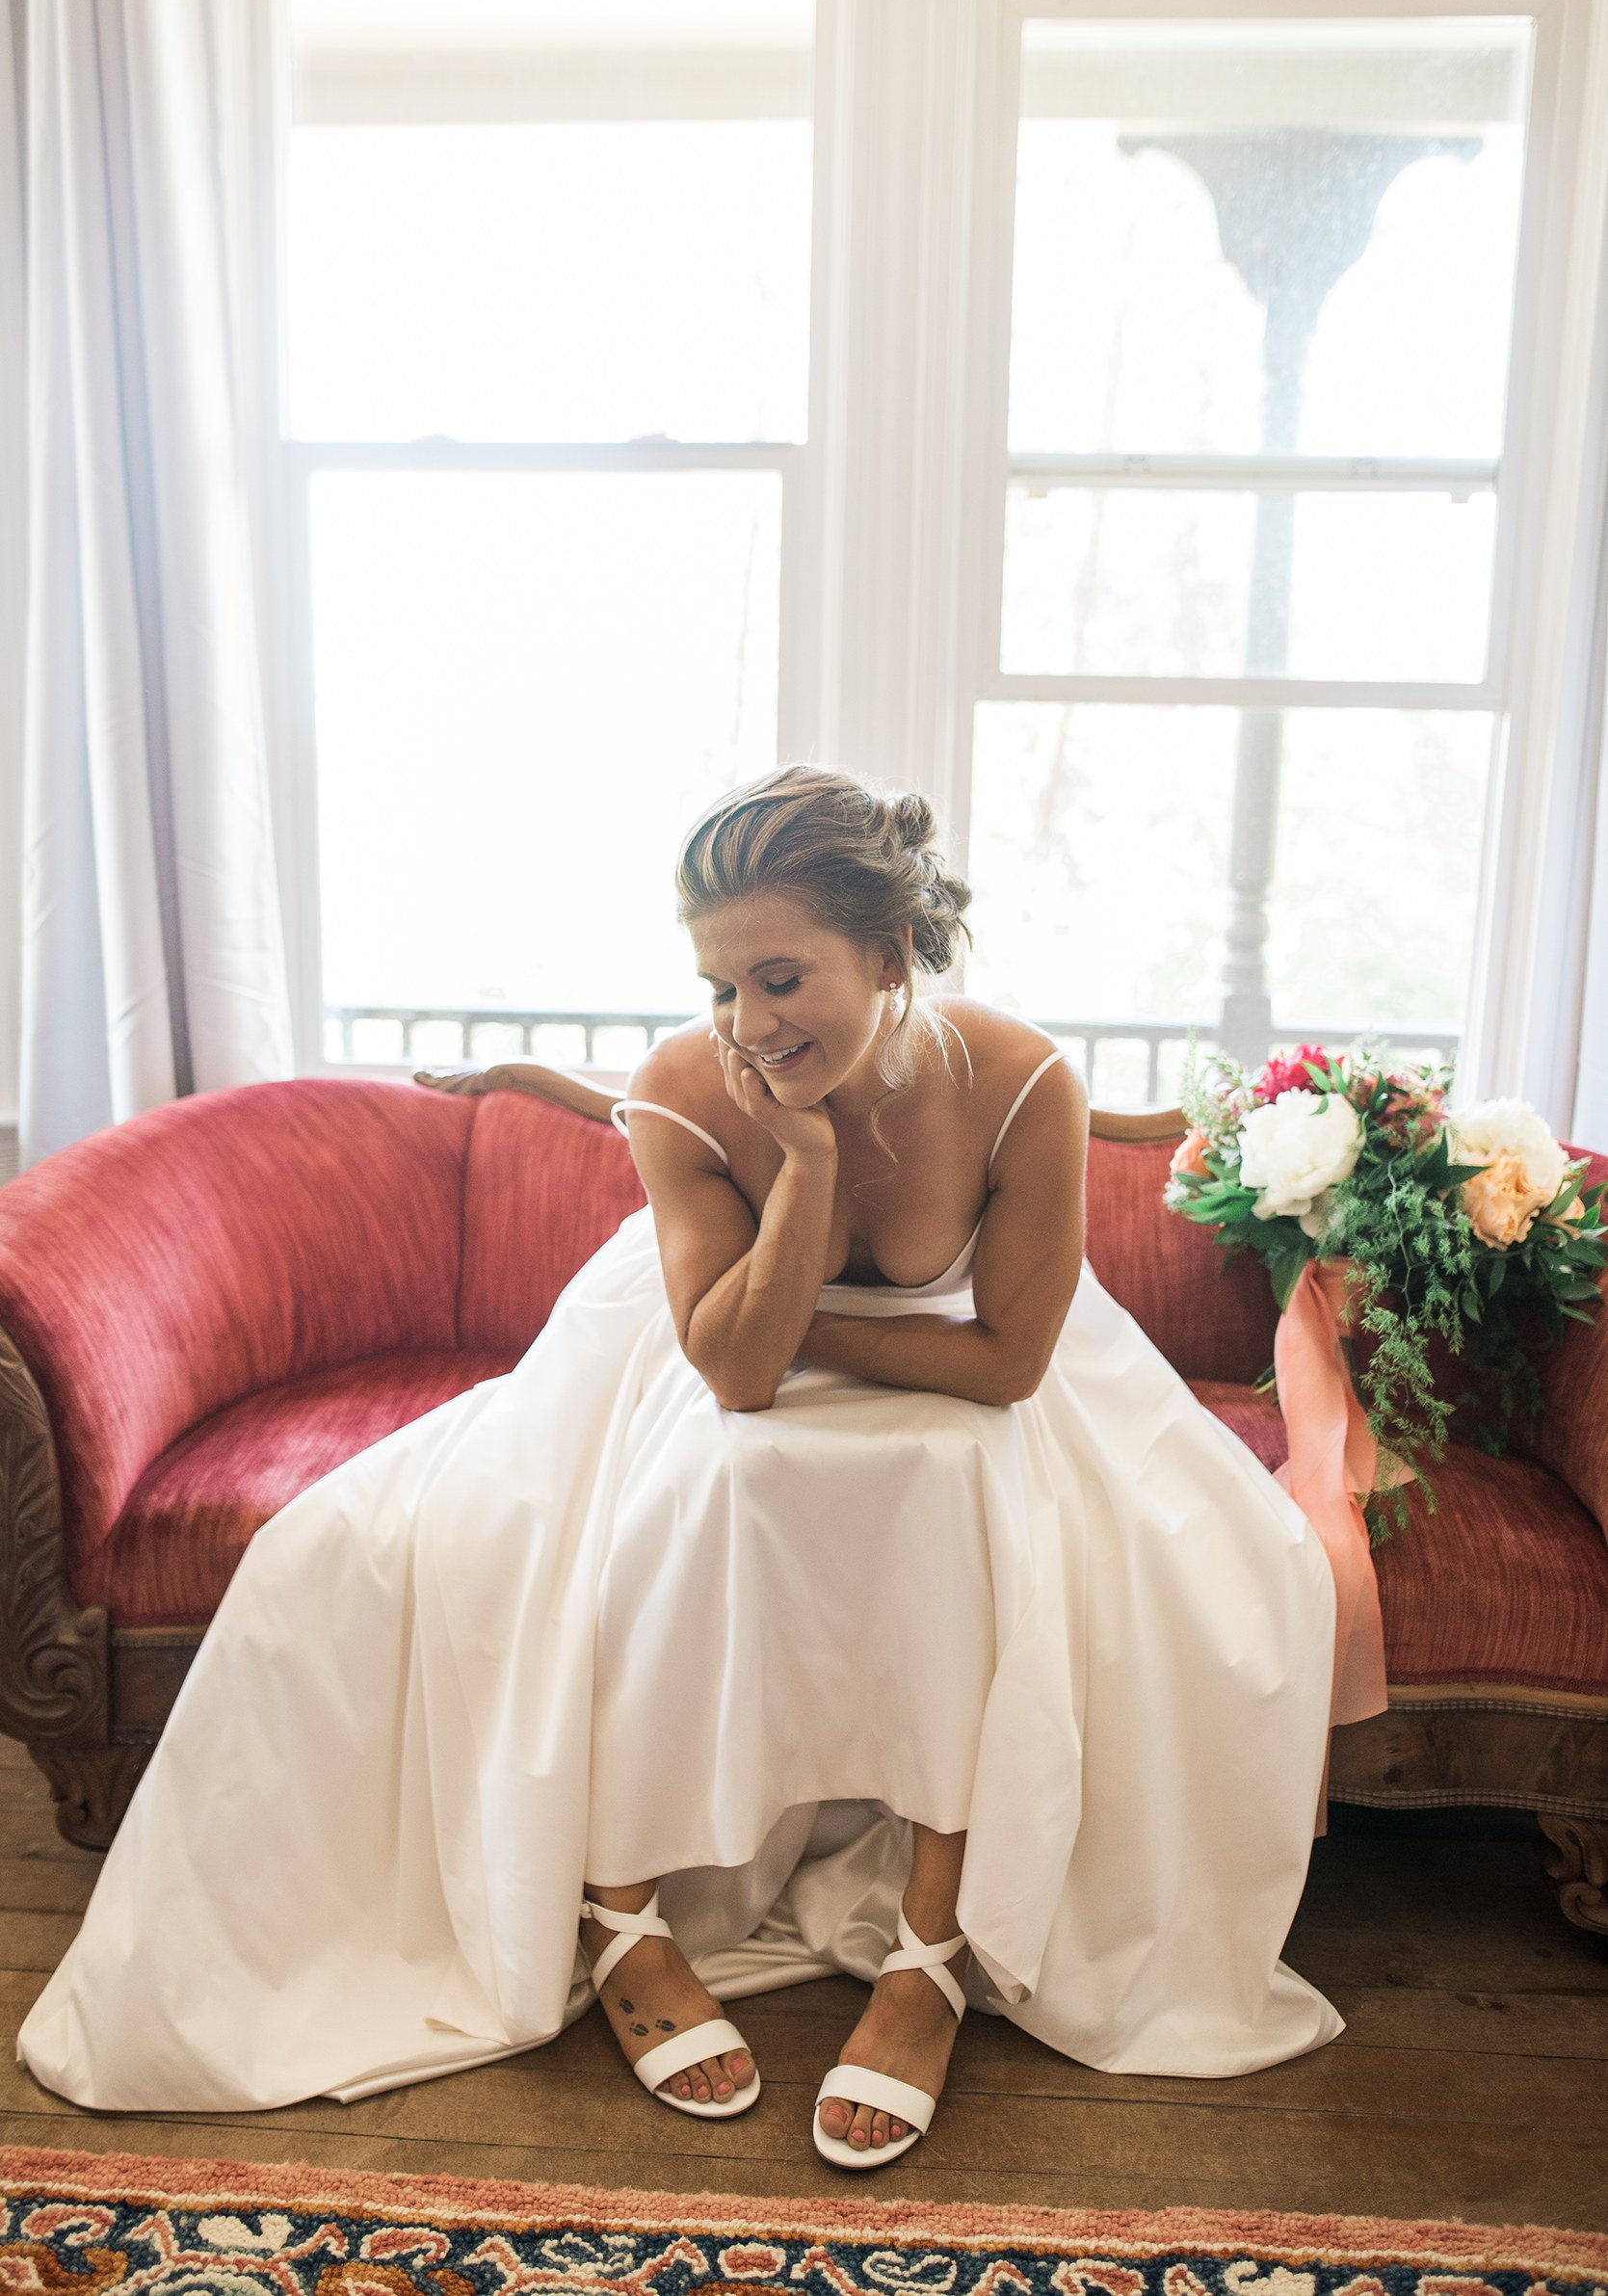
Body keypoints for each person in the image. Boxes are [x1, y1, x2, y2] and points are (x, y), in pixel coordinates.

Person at [16, 765, 1341, 2166]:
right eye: (720, 989)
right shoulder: (684, 1089)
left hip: (951, 1370)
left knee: (987, 1497)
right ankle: (619, 1914)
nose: (747, 1026)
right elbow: (734, 1381)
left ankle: (932, 1950)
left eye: (780, 980)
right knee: (669, 1498)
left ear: (887, 958)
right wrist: (808, 1171)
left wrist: (801, 1316)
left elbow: (1010, 1362)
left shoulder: (1021, 1083)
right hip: (692, 1361)